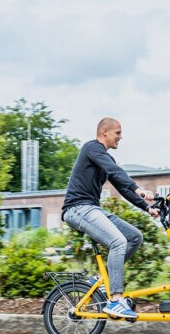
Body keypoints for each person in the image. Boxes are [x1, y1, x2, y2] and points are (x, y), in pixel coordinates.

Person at [61, 117, 158, 319]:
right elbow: (116, 172)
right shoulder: (92, 148)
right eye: (118, 133)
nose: (121, 137)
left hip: (92, 208)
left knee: (134, 237)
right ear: (104, 131)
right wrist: (139, 189)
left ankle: (102, 281)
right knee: (118, 241)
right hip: (77, 208)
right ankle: (115, 300)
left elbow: (122, 186)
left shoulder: (105, 158)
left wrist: (147, 208)